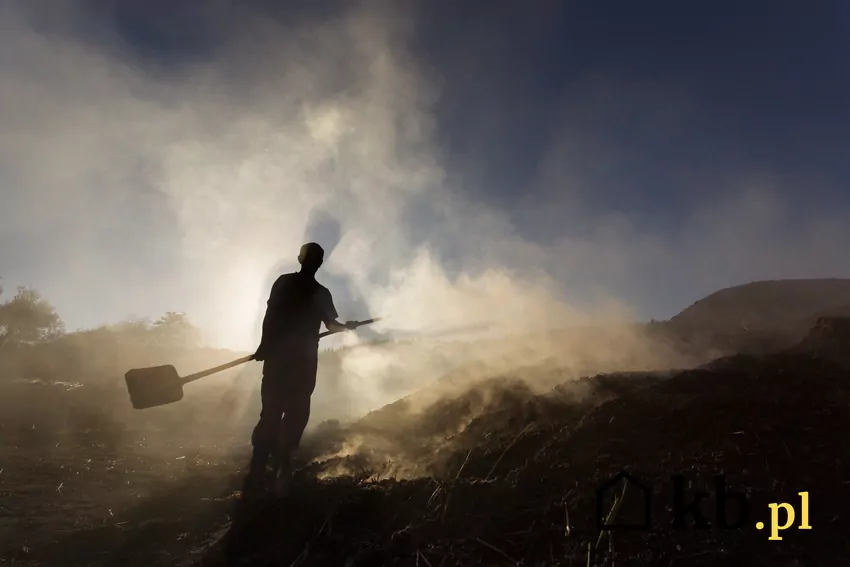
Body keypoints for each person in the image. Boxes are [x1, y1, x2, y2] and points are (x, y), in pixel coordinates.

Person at [244, 242, 356, 495]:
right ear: (312, 261)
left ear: (304, 259)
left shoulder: (298, 286)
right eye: (313, 257)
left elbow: (327, 324)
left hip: (290, 360)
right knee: (286, 415)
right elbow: (329, 325)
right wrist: (264, 344)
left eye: (315, 257)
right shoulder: (309, 289)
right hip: (296, 361)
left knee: (282, 415)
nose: (313, 261)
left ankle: (268, 470)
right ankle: (268, 470)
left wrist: (346, 326)